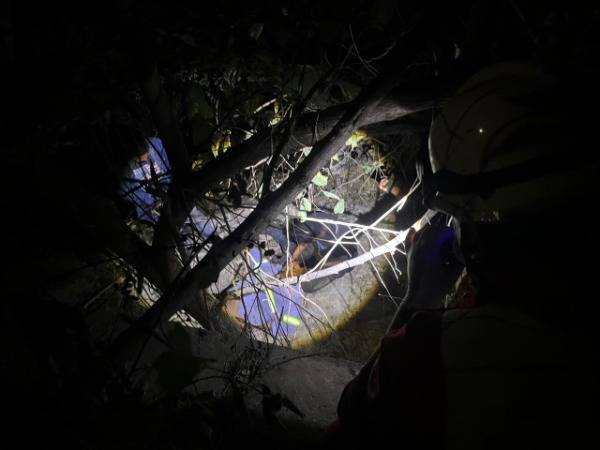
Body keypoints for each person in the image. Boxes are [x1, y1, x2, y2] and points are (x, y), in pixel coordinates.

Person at [321, 60, 600, 449]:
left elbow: (354, 415)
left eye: (457, 217)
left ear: (479, 236)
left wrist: (420, 299)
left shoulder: (438, 350)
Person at [118, 133, 217, 247]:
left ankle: (212, 237)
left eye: (147, 153)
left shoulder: (156, 144)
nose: (146, 158)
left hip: (170, 187)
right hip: (152, 201)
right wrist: (153, 201)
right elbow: (128, 192)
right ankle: (185, 244)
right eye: (141, 158)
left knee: (191, 212)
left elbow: (171, 163)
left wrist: (173, 188)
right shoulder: (127, 169)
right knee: (169, 225)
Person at [265, 210, 359, 291]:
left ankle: (272, 230)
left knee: (289, 251)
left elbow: (340, 263)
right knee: (290, 250)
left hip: (325, 254)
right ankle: (273, 230)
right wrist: (291, 259)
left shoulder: (345, 252)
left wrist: (320, 264)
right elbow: (303, 244)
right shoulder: (316, 225)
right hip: (318, 244)